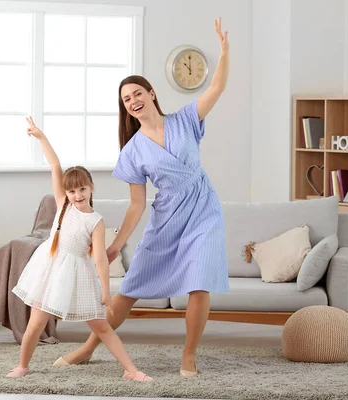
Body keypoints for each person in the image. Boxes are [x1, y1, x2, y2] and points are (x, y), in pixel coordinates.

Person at [59, 17, 230, 377]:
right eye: (126, 99)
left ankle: (188, 355)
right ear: (125, 108)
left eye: (138, 93)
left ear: (151, 94)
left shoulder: (186, 119)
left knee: (199, 283)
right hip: (166, 217)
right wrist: (116, 244)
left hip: (203, 209)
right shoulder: (132, 152)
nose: (133, 100)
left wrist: (224, 50)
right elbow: (138, 205)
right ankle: (89, 347)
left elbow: (216, 87)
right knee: (130, 289)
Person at [5, 117, 154, 382]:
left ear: (91, 188)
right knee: (35, 324)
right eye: (72, 191)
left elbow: (100, 258)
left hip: (79, 275)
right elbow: (54, 164)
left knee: (102, 327)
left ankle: (131, 371)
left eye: (82, 189)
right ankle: (23, 366)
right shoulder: (63, 205)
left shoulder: (95, 221)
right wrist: (41, 137)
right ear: (67, 192)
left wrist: (107, 292)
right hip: (50, 271)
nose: (77, 195)